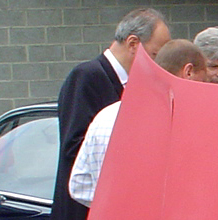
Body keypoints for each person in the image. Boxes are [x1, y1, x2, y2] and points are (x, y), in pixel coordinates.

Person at [48, 8, 171, 220]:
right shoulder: (87, 76)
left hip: (114, 219)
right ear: (133, 44)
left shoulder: (132, 84)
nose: (157, 65)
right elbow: (74, 147)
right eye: (155, 55)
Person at [69, 39, 208, 209]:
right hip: (156, 218)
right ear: (188, 72)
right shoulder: (177, 121)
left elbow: (79, 184)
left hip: (110, 219)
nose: (203, 91)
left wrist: (110, 202)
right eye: (202, 82)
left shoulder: (104, 116)